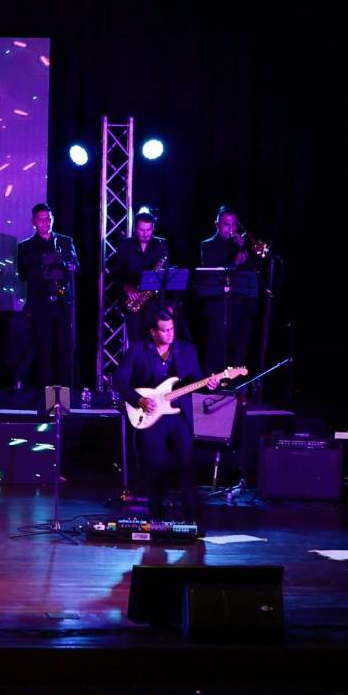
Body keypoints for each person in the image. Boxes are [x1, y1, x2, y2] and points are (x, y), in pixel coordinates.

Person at [114, 310, 219, 521]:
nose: (169, 334)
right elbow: (119, 381)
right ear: (153, 332)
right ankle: (156, 517)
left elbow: (196, 382)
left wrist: (210, 385)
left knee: (187, 465)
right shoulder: (137, 351)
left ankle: (192, 518)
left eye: (171, 329)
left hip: (179, 415)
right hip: (152, 415)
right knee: (155, 466)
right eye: (164, 330)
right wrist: (139, 400)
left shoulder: (186, 351)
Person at [16, 203, 79, 387]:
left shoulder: (65, 242)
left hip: (61, 303)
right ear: (34, 222)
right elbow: (22, 274)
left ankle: (65, 394)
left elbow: (76, 266)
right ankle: (46, 395)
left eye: (48, 219)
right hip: (40, 304)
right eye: (41, 219)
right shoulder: (26, 246)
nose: (45, 223)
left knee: (64, 349)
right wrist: (43, 263)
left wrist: (66, 265)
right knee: (43, 349)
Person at [199, 206, 260, 373]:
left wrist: (243, 247)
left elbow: (254, 270)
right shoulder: (208, 246)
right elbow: (211, 275)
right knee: (217, 349)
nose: (231, 229)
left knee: (239, 350)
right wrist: (234, 264)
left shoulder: (241, 245)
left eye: (234, 225)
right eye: (227, 225)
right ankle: (214, 387)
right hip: (219, 306)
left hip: (242, 305)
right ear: (217, 225)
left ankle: (236, 386)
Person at [109, 208, 171, 351]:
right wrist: (126, 287)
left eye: (149, 230)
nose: (145, 234)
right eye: (142, 230)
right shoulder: (126, 245)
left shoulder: (161, 244)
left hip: (155, 303)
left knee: (154, 344)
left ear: (153, 228)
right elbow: (114, 273)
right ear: (135, 228)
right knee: (136, 343)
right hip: (134, 302)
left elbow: (166, 272)